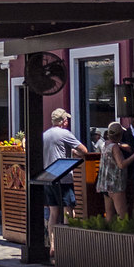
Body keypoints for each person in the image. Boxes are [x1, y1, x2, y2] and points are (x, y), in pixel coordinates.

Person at [40, 108, 92, 251]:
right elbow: (84, 150)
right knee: (68, 210)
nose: (68, 121)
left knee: (53, 212)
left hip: (47, 177)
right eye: (66, 119)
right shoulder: (64, 134)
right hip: (64, 177)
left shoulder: (45, 135)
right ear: (62, 121)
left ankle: (53, 244)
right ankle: (67, 245)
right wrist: (75, 152)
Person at [96, 122, 133, 220]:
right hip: (115, 184)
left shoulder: (104, 144)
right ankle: (123, 234)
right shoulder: (115, 147)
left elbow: (113, 146)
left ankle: (108, 234)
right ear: (120, 135)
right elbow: (121, 164)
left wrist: (121, 145)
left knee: (109, 215)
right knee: (122, 216)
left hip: (105, 184)